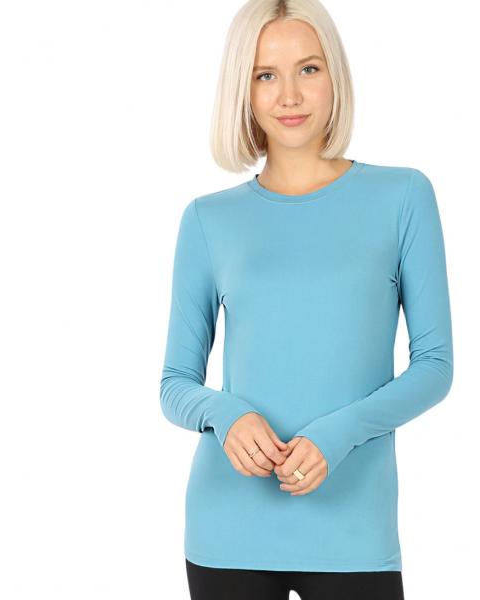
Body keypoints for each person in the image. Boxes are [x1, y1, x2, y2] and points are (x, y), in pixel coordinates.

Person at [159, 1, 453, 598]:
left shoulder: (402, 197)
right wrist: (226, 414)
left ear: (334, 75)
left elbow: (435, 366)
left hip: (354, 533)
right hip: (228, 531)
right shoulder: (208, 220)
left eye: (309, 69)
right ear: (244, 90)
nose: (289, 95)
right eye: (266, 75)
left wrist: (338, 434)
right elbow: (175, 384)